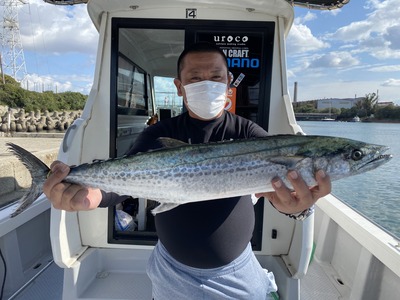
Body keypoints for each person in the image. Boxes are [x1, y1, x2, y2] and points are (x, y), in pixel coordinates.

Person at [43, 42, 331, 299]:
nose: (207, 83)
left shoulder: (249, 134)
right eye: (195, 78)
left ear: (229, 81)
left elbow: (283, 194)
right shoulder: (158, 134)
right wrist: (88, 196)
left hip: (238, 271)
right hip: (171, 271)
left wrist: (301, 209)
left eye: (216, 76)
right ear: (179, 86)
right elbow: (118, 183)